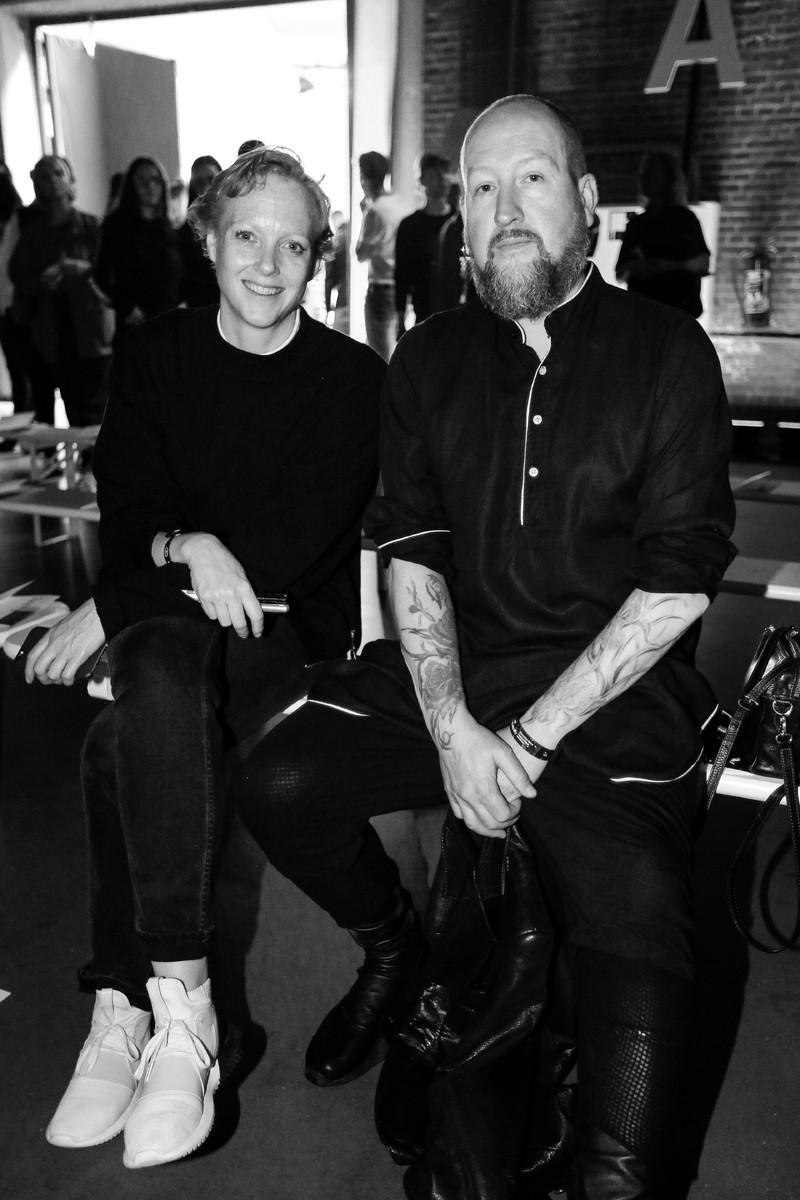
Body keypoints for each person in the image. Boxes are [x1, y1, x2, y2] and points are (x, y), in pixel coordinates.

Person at [236, 95, 735, 1195]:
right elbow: (410, 549)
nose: (504, 209)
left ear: (587, 203)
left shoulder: (667, 352)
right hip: (456, 679)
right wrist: (456, 730)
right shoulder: (426, 361)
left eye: (531, 180)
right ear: (458, 218)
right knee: (276, 774)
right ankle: (394, 954)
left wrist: (529, 740)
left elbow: (678, 579)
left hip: (610, 716)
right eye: (480, 189)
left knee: (627, 1131)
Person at [26, 147, 384, 1170]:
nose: (267, 265)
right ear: (209, 240)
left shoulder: (351, 380)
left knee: (126, 723)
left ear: (317, 258)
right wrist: (186, 546)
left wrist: (111, 604)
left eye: (292, 246)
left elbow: (284, 554)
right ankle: (161, 1006)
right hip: (177, 621)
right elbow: (131, 512)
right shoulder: (157, 354)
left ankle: (142, 1001)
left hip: (287, 633)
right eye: (247, 238)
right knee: (145, 698)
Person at [9, 156, 113, 427]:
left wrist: (83, 269)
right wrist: (41, 282)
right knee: (63, 408)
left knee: (96, 411)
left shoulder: (93, 227)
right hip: (51, 331)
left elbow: (111, 271)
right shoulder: (33, 235)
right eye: (45, 176)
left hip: (90, 329)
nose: (53, 181)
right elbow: (18, 274)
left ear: (70, 180)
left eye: (58, 173)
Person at [95, 155, 183, 343]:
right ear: (131, 185)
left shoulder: (169, 227)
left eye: (155, 180)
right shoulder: (116, 225)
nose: (150, 186)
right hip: (135, 323)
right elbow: (101, 275)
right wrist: (125, 307)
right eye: (142, 180)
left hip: (168, 322)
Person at [615, 150, 710, 317]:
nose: (643, 178)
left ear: (668, 179)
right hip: (644, 313)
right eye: (644, 173)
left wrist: (668, 266)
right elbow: (620, 272)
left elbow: (702, 263)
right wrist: (635, 267)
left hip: (676, 311)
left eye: (650, 173)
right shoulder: (637, 224)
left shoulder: (684, 220)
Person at [394, 153, 452, 334]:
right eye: (434, 175)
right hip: (423, 309)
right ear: (422, 180)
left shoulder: (459, 223)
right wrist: (400, 317)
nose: (441, 180)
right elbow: (402, 274)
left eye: (444, 174)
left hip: (457, 309)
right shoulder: (410, 225)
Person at [355, 150, 405, 360]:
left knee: (380, 357)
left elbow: (361, 254)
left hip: (381, 289)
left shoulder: (374, 211)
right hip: (401, 287)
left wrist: (364, 214)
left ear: (363, 177)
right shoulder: (398, 203)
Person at [178, 155, 222, 308]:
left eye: (211, 179)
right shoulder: (183, 234)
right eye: (199, 182)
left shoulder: (237, 223)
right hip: (200, 309)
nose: (206, 187)